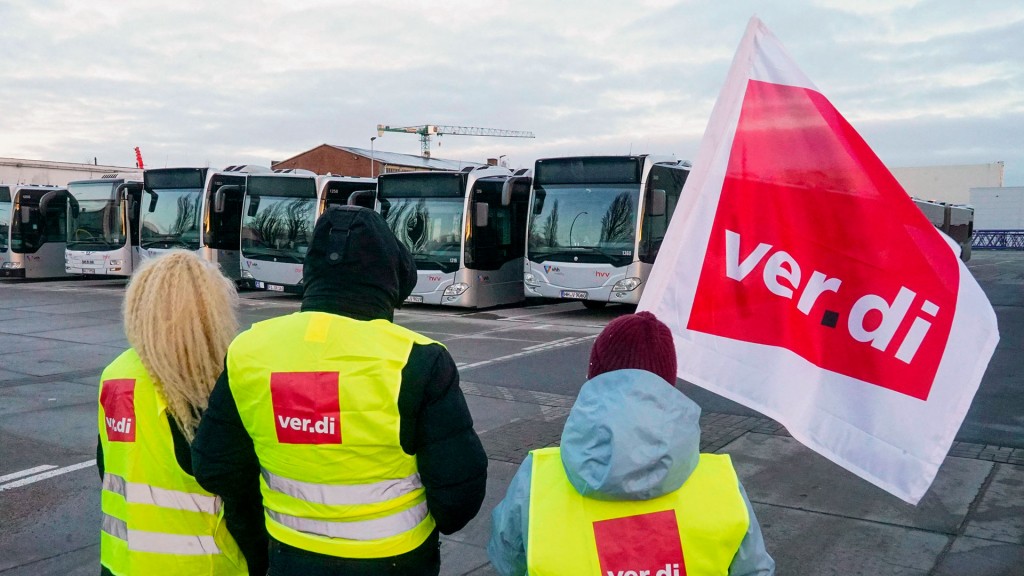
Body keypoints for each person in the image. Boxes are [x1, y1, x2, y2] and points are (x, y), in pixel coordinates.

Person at [192, 205, 489, 576]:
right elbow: (458, 497)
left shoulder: (249, 350)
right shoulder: (419, 360)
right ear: (390, 275)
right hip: (395, 559)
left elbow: (213, 467)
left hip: (289, 554)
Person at [488, 311, 776, 576]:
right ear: (668, 381)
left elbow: (507, 559)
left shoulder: (537, 478)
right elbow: (754, 569)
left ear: (594, 375)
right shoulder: (720, 486)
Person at [97, 251, 254, 575]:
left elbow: (108, 464)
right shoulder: (209, 388)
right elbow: (244, 503)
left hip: (120, 564)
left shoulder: (116, 375)